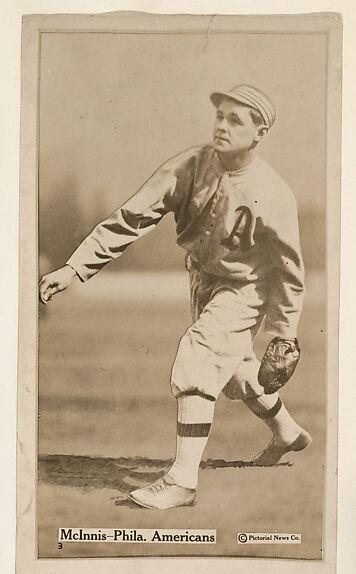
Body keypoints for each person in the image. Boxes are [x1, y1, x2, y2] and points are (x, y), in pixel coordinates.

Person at [39, 83, 312, 510]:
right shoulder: (189, 165)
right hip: (203, 279)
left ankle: (182, 480)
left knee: (198, 355)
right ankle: (288, 431)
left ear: (260, 133)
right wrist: (75, 266)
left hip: (246, 287)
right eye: (220, 115)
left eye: (235, 120)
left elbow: (290, 272)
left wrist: (285, 334)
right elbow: (132, 217)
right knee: (237, 374)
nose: (221, 125)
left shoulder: (273, 192)